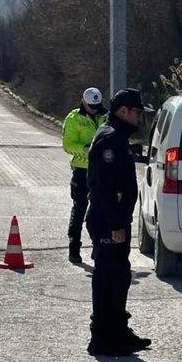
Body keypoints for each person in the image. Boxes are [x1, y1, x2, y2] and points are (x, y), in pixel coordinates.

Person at [85, 88, 154, 356]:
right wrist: (115, 224)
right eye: (137, 113)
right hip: (107, 220)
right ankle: (102, 337)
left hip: (115, 219)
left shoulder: (118, 137)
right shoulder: (110, 140)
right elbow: (104, 187)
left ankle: (118, 330)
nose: (139, 118)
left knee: (119, 275)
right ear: (123, 111)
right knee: (107, 277)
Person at [62, 87, 107, 264]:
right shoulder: (74, 118)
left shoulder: (106, 116)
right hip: (81, 170)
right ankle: (74, 247)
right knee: (80, 208)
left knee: (101, 210)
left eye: (97, 106)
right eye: (91, 107)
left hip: (102, 171)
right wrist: (85, 149)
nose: (94, 110)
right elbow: (67, 145)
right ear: (83, 102)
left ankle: (98, 246)